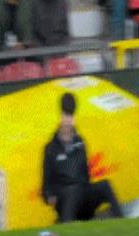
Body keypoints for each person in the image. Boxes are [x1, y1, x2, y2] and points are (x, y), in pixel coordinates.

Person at [42, 93, 123, 223]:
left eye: (70, 117)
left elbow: (86, 175)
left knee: (104, 185)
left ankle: (123, 222)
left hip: (82, 195)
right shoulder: (51, 148)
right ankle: (67, 226)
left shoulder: (80, 143)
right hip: (64, 200)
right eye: (65, 116)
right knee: (72, 191)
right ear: (61, 118)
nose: (68, 121)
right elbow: (46, 184)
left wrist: (85, 190)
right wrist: (49, 196)